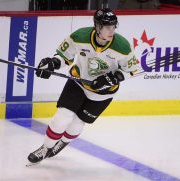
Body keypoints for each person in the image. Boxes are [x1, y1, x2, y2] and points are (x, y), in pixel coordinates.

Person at [27, 8, 138, 165]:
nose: (111, 30)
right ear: (97, 26)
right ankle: (45, 148)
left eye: (114, 26)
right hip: (78, 82)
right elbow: (64, 56)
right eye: (107, 27)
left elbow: (133, 70)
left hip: (103, 93)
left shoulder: (122, 46)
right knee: (62, 117)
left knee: (77, 123)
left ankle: (63, 142)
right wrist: (53, 63)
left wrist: (114, 77)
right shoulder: (79, 36)